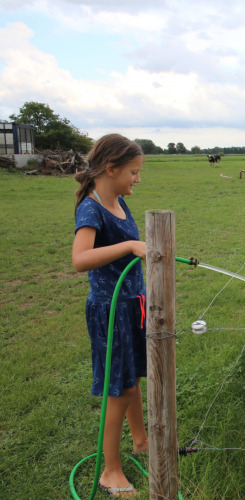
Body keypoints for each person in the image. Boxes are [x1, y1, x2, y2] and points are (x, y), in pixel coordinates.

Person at [72, 134, 147, 498]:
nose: (137, 179)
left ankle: (141, 440)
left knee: (132, 379)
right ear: (111, 168)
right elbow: (80, 259)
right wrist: (130, 245)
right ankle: (110, 471)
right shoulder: (91, 208)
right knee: (119, 389)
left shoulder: (118, 201)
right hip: (110, 310)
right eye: (133, 172)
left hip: (131, 306)